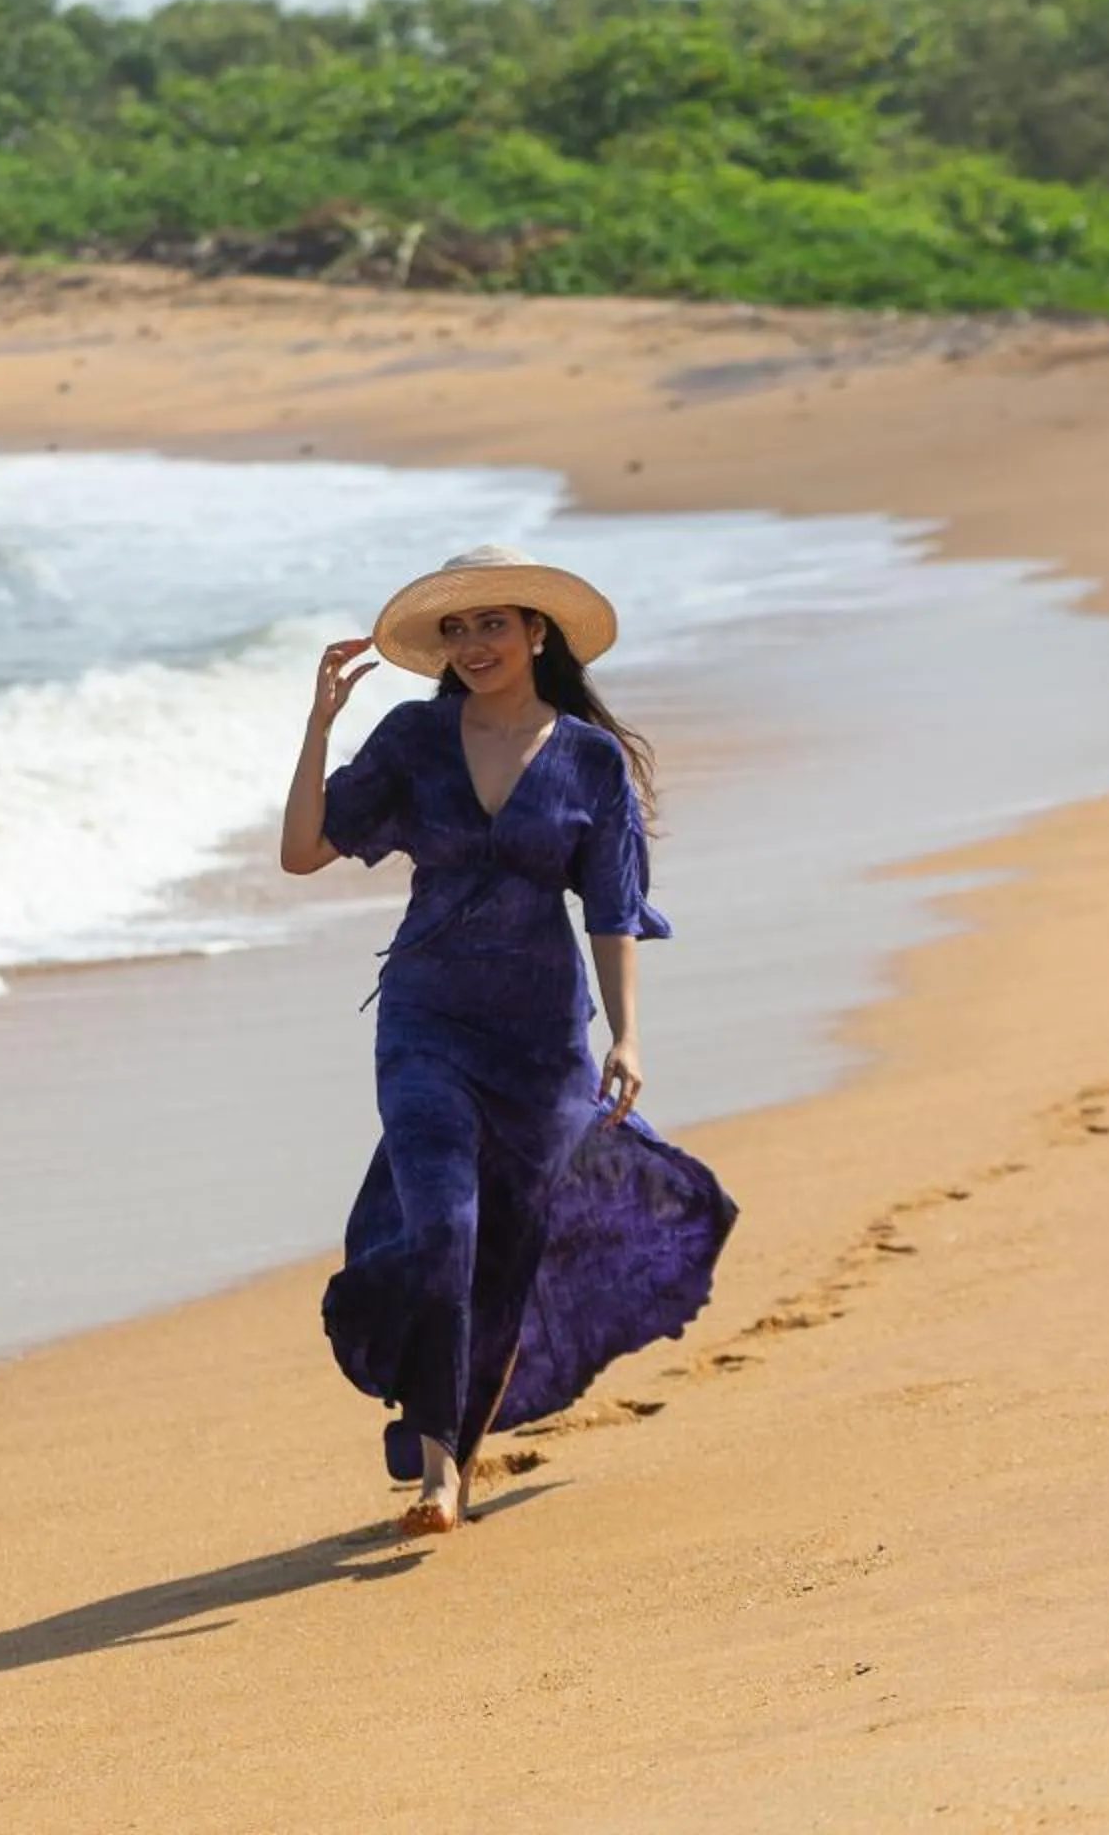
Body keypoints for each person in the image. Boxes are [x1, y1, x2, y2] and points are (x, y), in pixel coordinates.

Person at [281, 545, 737, 1537]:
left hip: (540, 1042)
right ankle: (439, 1468)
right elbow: (303, 850)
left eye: (493, 622)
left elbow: (614, 908)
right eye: (456, 628)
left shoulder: (588, 758)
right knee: (442, 1225)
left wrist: (628, 1036)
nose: (474, 642)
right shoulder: (412, 738)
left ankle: (456, 1451)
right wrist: (319, 728)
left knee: (507, 1257)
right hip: (424, 1023)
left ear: (537, 632)